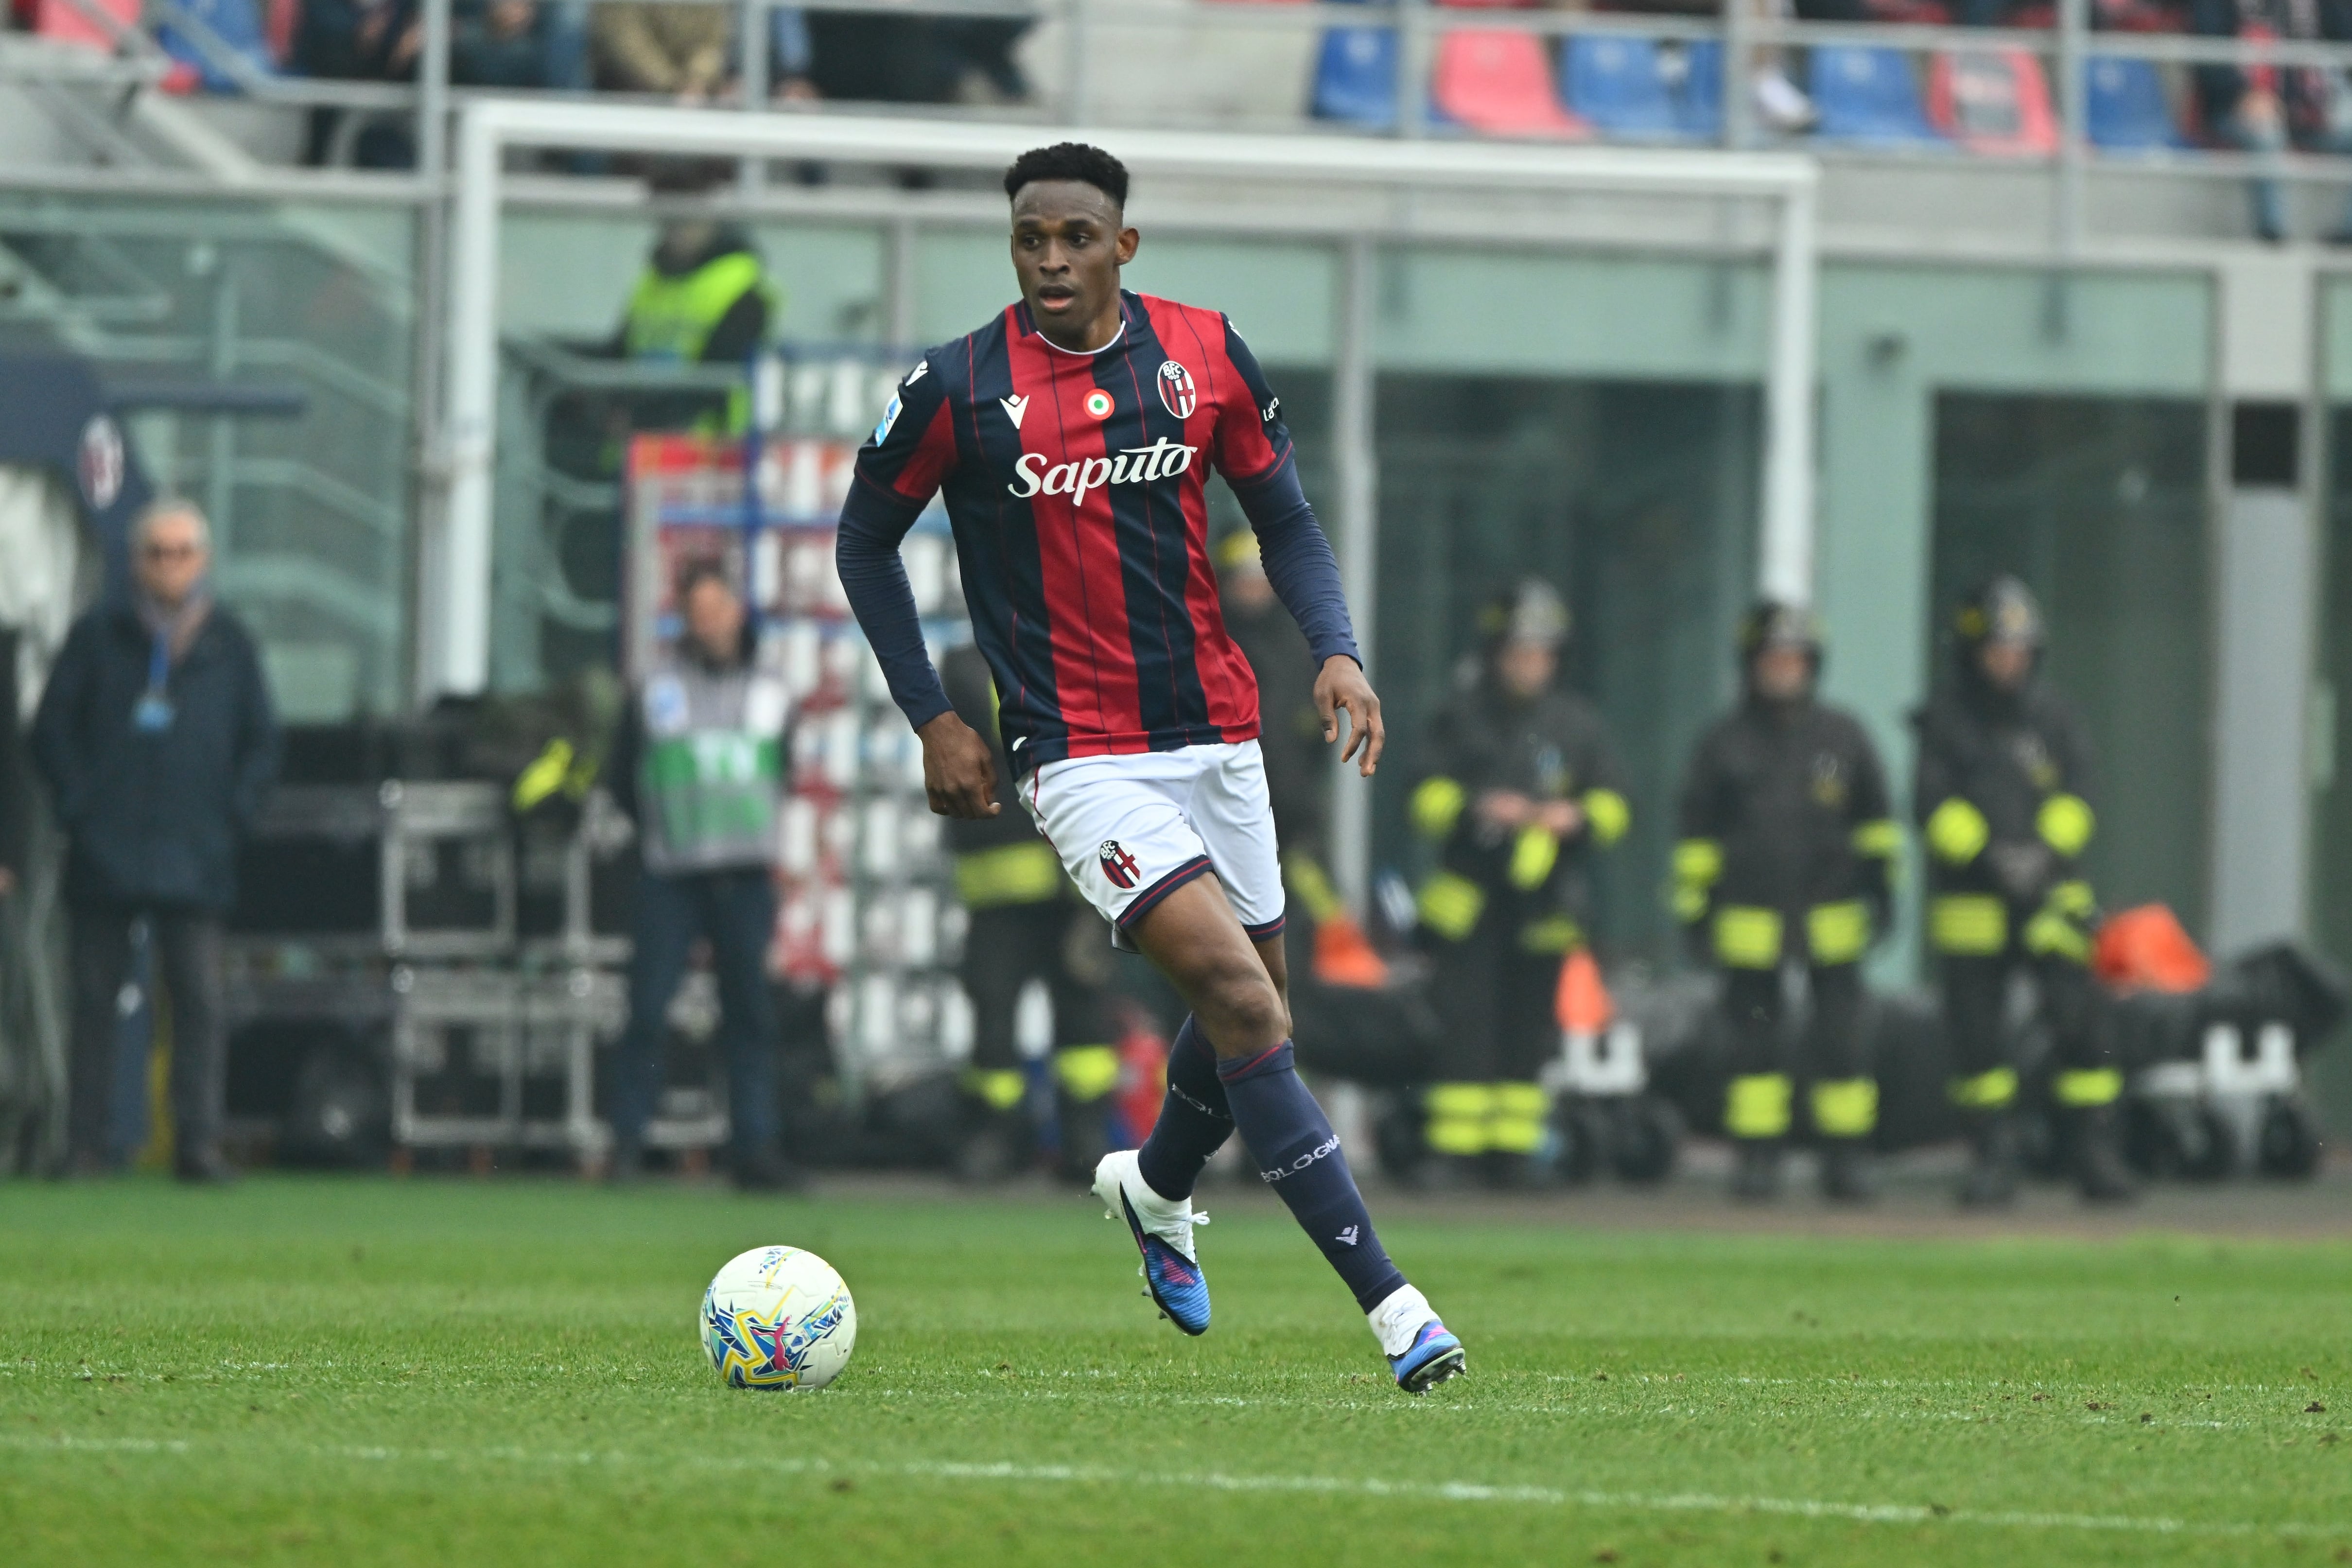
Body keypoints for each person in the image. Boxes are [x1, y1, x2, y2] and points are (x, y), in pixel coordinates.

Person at [834, 142, 1464, 1394]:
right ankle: (1396, 1306)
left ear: (1122, 245)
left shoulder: (1204, 354)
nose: (1051, 259)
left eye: (1076, 236)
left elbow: (1284, 519)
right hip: (1076, 754)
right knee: (1241, 1002)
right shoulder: (957, 386)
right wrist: (931, 716)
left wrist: (1336, 651)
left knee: (1256, 1007)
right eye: (1030, 238)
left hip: (1220, 736)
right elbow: (865, 541)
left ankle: (1154, 1183)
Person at [32, 500, 278, 1183]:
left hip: (197, 851)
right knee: (93, 1000)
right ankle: (85, 1143)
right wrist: (80, 806)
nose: (170, 565)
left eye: (182, 552)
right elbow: (51, 727)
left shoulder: (229, 643)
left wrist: (233, 813)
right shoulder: (97, 636)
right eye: (157, 552)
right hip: (106, 848)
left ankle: (197, 1143)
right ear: (137, 561)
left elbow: (262, 741)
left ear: (203, 560)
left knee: (199, 1000)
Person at [1913, 575, 2135, 1207]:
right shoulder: (1944, 721)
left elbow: (2080, 794)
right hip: (1973, 908)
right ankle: (1992, 1159)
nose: (2008, 662)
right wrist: (1988, 857)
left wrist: (2043, 853)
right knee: (1978, 1045)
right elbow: (1931, 804)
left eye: (2019, 650)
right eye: (1997, 650)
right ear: (1971, 653)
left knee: (2084, 1027)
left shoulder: (2055, 717)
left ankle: (2093, 1155)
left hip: (2051, 902)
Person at [1673, 602, 1900, 1204]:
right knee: (1754, 1048)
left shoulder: (1843, 736)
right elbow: (1696, 834)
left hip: (1834, 917)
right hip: (1750, 919)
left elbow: (1877, 821)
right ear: (1751, 664)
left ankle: (1846, 1160)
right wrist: (1696, 908)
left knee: (1844, 1047)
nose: (1784, 670)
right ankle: (1757, 1160)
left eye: (1795, 660)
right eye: (1774, 659)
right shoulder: (1723, 742)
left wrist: (1882, 888)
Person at [1407, 580, 1629, 1187]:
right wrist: (1477, 807)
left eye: (1542, 653)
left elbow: (1616, 805)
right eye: (1519, 652)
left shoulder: (1576, 724)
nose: (1531, 664)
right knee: (1466, 1026)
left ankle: (1515, 1153)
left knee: (1529, 1032)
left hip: (1544, 904)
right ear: (1496, 653)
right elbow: (1421, 796)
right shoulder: (1459, 717)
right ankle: (1454, 1153)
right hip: (1469, 904)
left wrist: (1576, 817)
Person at [605, 559, 798, 1190]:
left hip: (744, 874)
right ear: (685, 620)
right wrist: (664, 834)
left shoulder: (772, 690)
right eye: (698, 613)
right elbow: (623, 776)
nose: (710, 623)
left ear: (737, 611)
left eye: (718, 609)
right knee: (646, 1010)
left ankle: (754, 1148)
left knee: (749, 1016)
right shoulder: (656, 688)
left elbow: (783, 770)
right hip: (674, 873)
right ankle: (627, 1143)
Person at [940, 639, 1119, 1183]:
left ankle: (1085, 1140)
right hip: (1004, 876)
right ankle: (997, 1134)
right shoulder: (971, 664)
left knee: (1085, 1017)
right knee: (994, 1014)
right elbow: (1010, 725)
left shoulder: (1084, 653)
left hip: (1079, 875)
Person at [2190, 0, 2352, 243]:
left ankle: (2347, 238)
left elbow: (2343, 38)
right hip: (2234, 109)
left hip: (2306, 111)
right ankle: (2272, 238)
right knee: (2266, 132)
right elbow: (2209, 57)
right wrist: (2243, 95)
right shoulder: (2216, 5)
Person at [612, 202, 779, 435]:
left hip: (714, 441)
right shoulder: (651, 282)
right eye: (670, 222)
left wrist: (643, 416)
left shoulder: (740, 285)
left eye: (687, 222)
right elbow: (618, 354)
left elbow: (719, 375)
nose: (676, 232)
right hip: (644, 435)